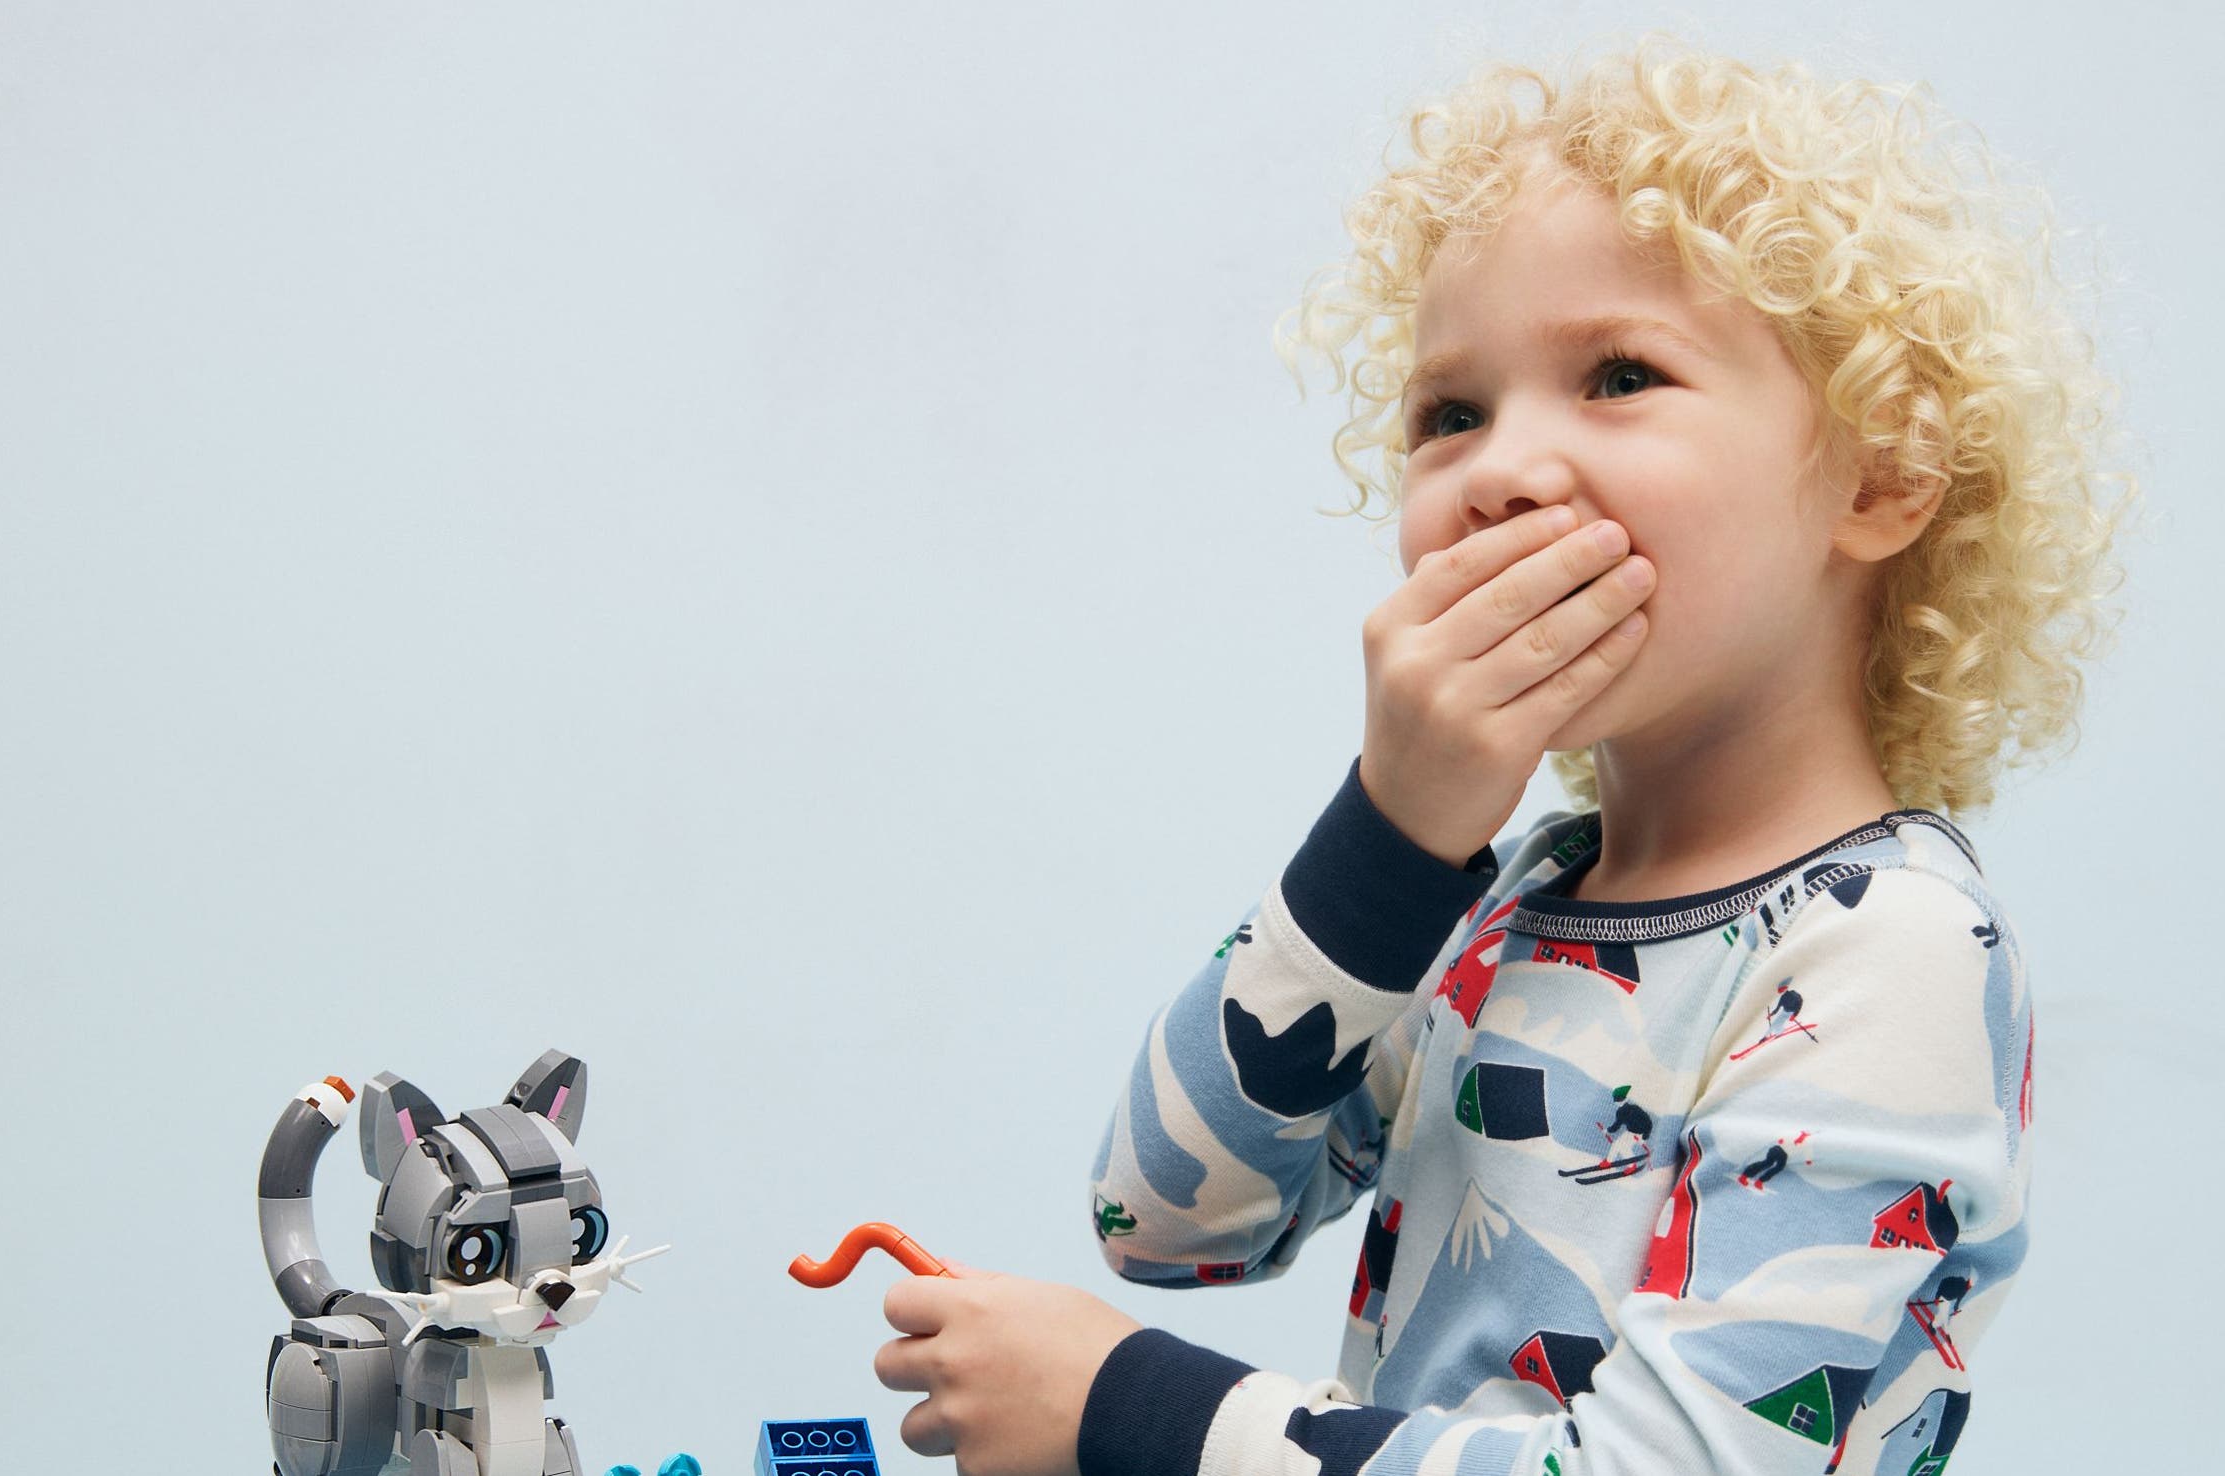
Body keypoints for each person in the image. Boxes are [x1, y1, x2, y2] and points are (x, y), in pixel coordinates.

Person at [870, 28, 2134, 1476]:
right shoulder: (1503, 904)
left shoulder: (1894, 952)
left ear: (1883, 472)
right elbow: (1164, 1219)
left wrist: (1132, 1412)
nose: (1504, 472)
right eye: (1450, 414)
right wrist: (1392, 837)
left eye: (1619, 375)